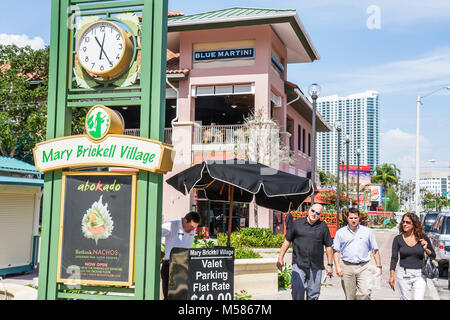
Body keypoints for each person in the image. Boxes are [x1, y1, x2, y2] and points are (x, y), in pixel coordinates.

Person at [277, 204, 334, 300]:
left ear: (320, 215)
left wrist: (329, 265)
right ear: (308, 210)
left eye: (317, 213)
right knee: (297, 289)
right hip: (298, 263)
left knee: (314, 294)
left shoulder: (323, 226)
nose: (314, 214)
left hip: (316, 265)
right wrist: (280, 258)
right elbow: (287, 241)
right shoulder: (297, 223)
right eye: (312, 211)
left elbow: (328, 246)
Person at [333, 207, 382, 300]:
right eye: (351, 218)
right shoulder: (340, 233)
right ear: (347, 218)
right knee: (350, 296)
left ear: (359, 218)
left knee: (365, 293)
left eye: (356, 218)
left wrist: (379, 267)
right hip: (347, 266)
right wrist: (337, 267)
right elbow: (336, 251)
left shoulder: (368, 232)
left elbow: (375, 250)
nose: (353, 220)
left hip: (364, 266)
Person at [389, 213, 436, 300]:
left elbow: (433, 255)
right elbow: (394, 258)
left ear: (414, 224)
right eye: (403, 222)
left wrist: (426, 248)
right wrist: (392, 276)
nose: (404, 224)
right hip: (403, 274)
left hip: (420, 275)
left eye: (407, 222)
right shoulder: (398, 239)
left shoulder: (423, 237)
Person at [160, 211, 201, 300]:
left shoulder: (192, 229)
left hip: (184, 266)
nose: (192, 229)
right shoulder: (172, 226)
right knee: (169, 297)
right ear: (185, 221)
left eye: (195, 227)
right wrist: (158, 250)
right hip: (170, 266)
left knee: (183, 297)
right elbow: (154, 234)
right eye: (191, 226)